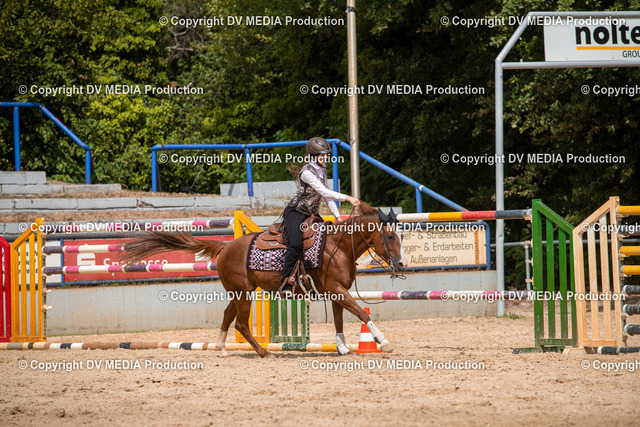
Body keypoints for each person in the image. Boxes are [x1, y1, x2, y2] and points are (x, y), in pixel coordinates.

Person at [280, 137, 361, 295]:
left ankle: (317, 278)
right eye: (322, 155)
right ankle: (286, 281)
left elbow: (326, 196)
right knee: (296, 244)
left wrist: (337, 216)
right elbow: (324, 191)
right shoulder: (306, 173)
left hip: (311, 213)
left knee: (326, 240)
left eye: (326, 155)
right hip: (296, 212)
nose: (325, 158)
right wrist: (348, 198)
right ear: (312, 156)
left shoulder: (322, 170)